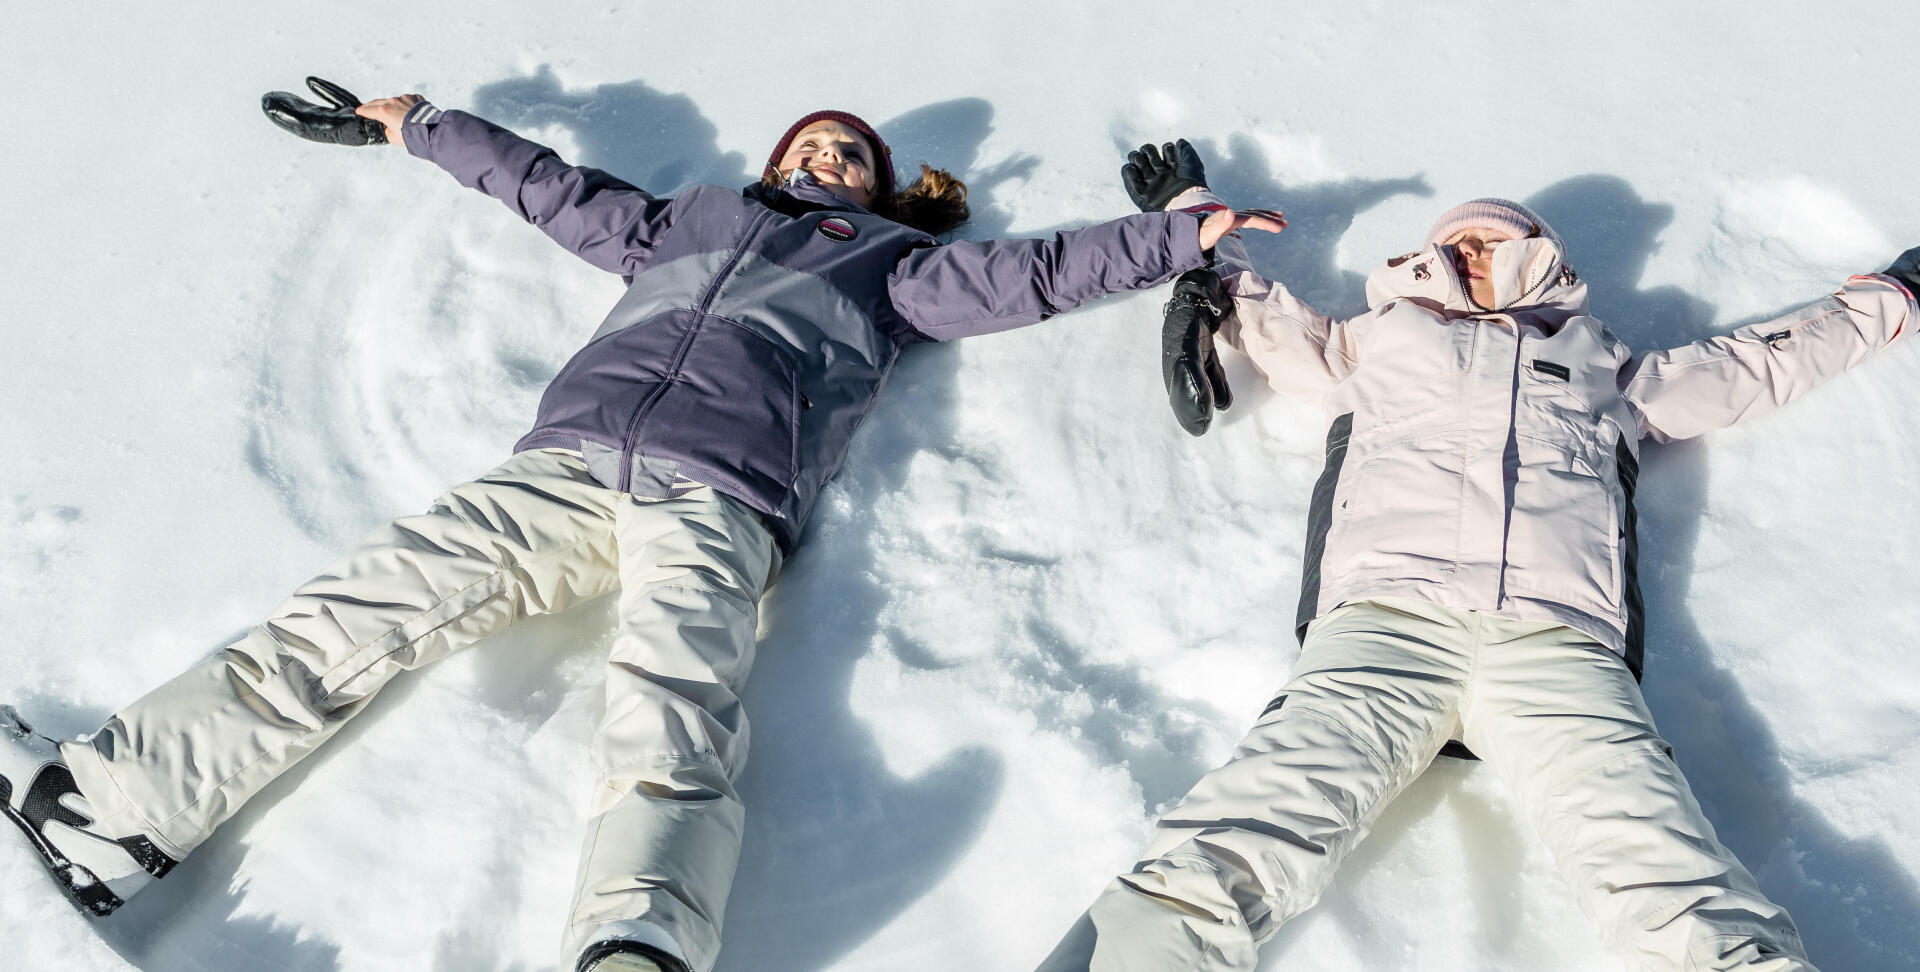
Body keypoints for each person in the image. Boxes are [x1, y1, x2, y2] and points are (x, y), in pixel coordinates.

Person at [0, 83, 1281, 972]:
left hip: (723, 495)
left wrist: (1175, 237)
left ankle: (641, 941)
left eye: (853, 157)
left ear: (880, 190)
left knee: (674, 704)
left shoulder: (888, 267)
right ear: (775, 160)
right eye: (814, 147)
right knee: (350, 614)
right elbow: (550, 190)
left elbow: (1039, 274)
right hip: (556, 472)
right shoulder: (684, 225)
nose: (830, 159)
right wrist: (424, 126)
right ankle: (110, 808)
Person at [1038, 141, 1920, 971]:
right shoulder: (1374, 342)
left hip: (1556, 644)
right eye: (1452, 243)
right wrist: (1186, 211)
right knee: (1258, 819)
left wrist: (1894, 299)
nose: (1467, 251)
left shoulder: (1599, 362)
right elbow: (1250, 300)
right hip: (1387, 626)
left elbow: (1756, 365)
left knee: (1656, 857)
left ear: (1541, 256)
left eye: (1489, 240)